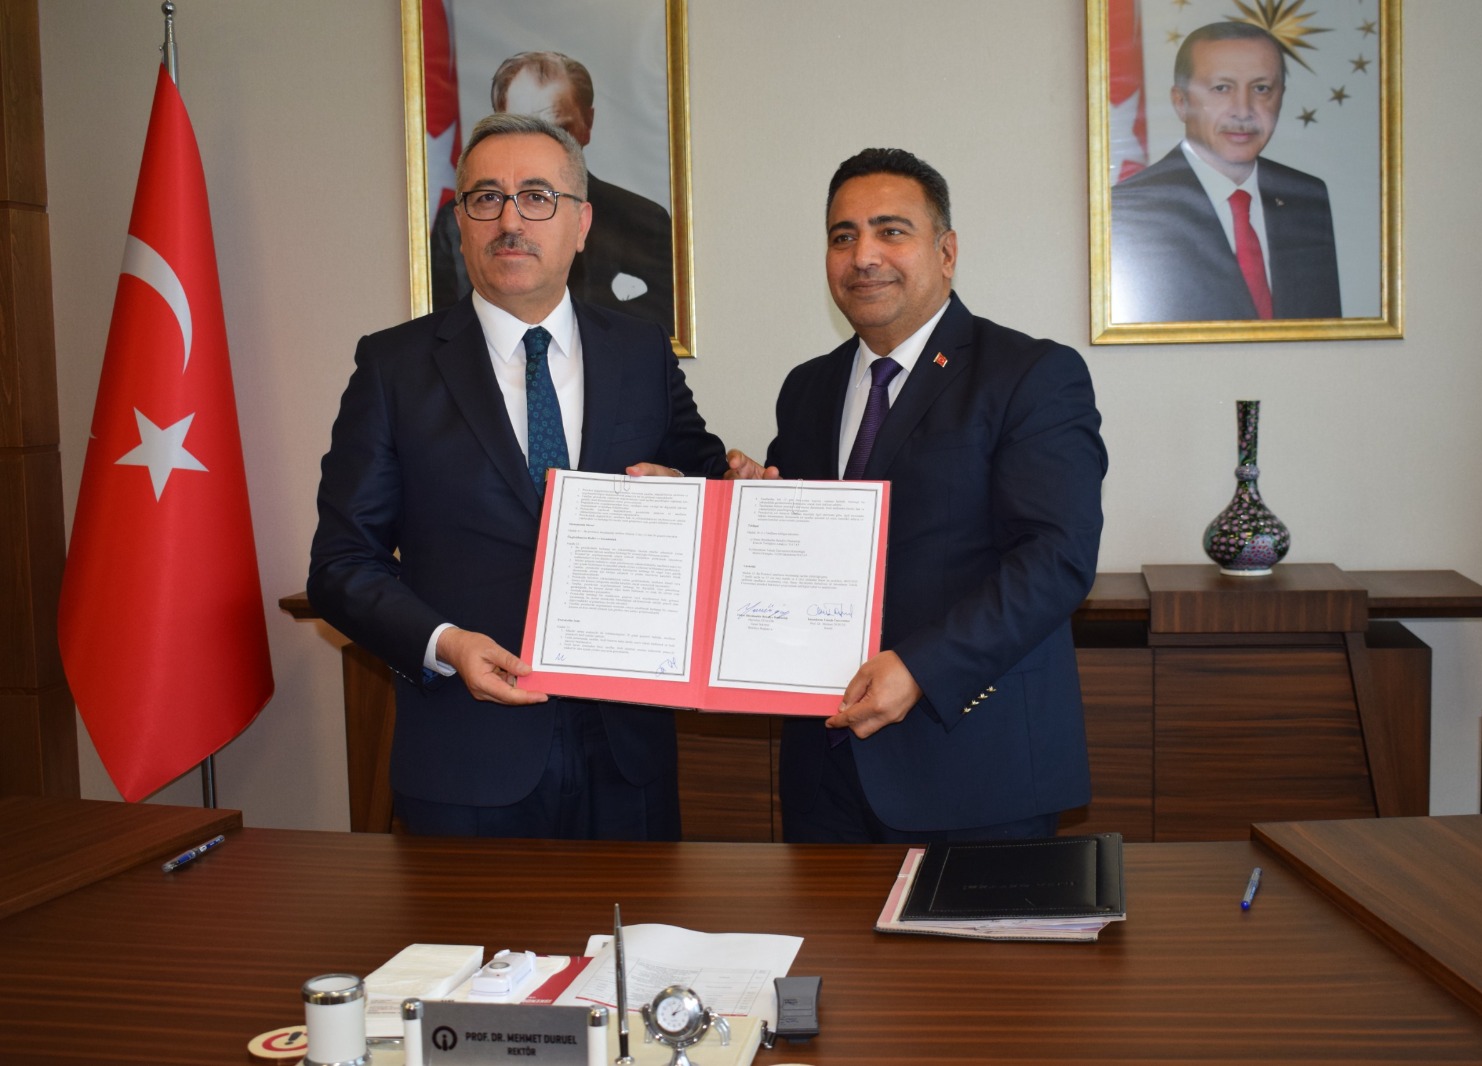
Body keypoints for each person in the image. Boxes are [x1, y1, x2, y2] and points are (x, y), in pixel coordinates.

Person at [309, 113, 725, 839]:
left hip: (627, 758)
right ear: (460, 224)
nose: (510, 220)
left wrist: (718, 492)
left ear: (582, 223)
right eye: (485, 199)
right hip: (466, 758)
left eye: (537, 197)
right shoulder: (393, 368)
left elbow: (703, 480)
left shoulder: (640, 353)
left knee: (637, 923)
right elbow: (341, 566)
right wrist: (444, 643)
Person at [727, 148, 1107, 843]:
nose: (863, 256)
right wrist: (743, 512)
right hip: (823, 774)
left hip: (973, 769)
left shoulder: (1030, 374)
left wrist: (922, 669)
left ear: (947, 252)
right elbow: (800, 551)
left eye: (891, 231)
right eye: (843, 237)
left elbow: (1057, 558)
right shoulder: (807, 388)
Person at [1110, 21, 1341, 324]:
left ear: (1281, 97)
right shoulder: (1131, 207)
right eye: (1222, 88)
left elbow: (1324, 330)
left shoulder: (1307, 197)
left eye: (1261, 89)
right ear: (1181, 103)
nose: (1243, 110)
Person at [431, 51, 676, 333]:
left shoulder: (644, 221)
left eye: (559, 129)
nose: (510, 222)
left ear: (587, 124)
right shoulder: (451, 224)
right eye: (521, 127)